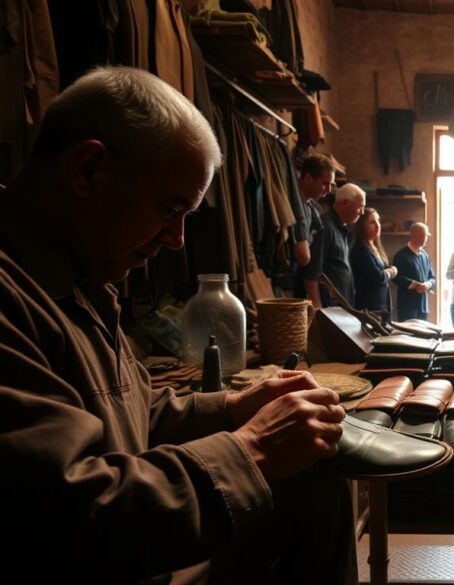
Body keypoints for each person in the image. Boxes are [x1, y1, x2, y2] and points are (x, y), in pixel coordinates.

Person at [0, 67, 356, 583]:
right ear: (89, 170)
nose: (177, 240)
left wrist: (233, 408)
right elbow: (66, 518)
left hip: (136, 543)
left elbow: (127, 411)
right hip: (101, 555)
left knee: (315, 484)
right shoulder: (17, 297)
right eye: (169, 209)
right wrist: (252, 447)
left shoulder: (82, 280)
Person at [305, 182, 365, 308]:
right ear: (345, 203)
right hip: (328, 308)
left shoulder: (342, 229)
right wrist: (317, 308)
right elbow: (312, 271)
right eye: (360, 207)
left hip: (339, 308)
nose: (362, 213)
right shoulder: (325, 227)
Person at [291, 151, 334, 297]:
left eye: (331, 185)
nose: (329, 190)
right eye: (325, 183)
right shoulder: (293, 203)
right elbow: (304, 256)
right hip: (282, 282)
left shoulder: (312, 208)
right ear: (308, 178)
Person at [351, 207, 397, 322]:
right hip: (370, 307)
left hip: (381, 306)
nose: (378, 225)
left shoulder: (374, 247)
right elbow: (379, 276)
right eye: (372, 222)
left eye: (378, 221)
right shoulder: (360, 249)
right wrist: (392, 272)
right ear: (361, 226)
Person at [392, 222, 436, 321]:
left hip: (423, 307)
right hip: (407, 307)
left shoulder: (425, 255)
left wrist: (427, 285)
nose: (426, 239)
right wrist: (415, 285)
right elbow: (396, 278)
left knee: (423, 335)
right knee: (407, 336)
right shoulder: (401, 255)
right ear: (413, 235)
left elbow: (432, 278)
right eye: (424, 235)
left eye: (426, 236)